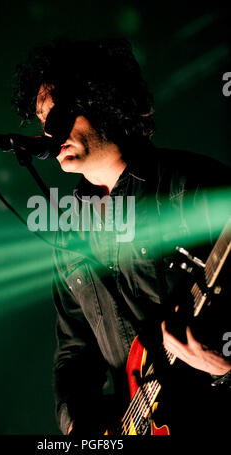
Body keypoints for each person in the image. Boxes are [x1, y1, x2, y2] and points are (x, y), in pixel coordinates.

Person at [12, 37, 231, 435]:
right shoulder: (69, 234)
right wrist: (80, 429)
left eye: (59, 113)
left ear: (103, 101)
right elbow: (73, 353)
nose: (49, 130)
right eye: (43, 119)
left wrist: (226, 367)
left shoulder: (197, 187)